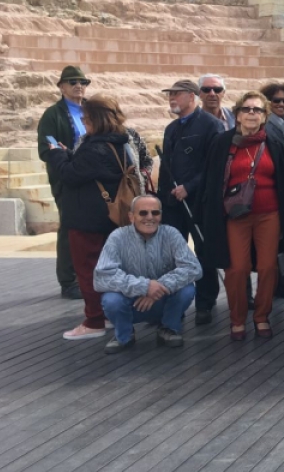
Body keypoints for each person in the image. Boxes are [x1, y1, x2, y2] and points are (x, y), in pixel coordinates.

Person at [196, 90, 284, 341]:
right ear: (238, 115)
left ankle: (261, 317)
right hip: (235, 215)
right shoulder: (222, 143)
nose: (252, 113)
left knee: (268, 267)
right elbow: (211, 181)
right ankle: (237, 319)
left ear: (265, 116)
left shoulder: (275, 143)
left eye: (257, 110)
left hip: (269, 214)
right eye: (246, 109)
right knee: (237, 269)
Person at [46, 94, 144, 340]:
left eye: (87, 117)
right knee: (110, 270)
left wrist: (56, 154)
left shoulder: (94, 147)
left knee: (88, 270)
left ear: (97, 119)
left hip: (87, 220)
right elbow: (87, 170)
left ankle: (94, 321)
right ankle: (109, 314)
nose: (83, 121)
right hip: (110, 218)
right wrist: (70, 155)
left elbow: (69, 175)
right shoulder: (121, 142)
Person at [94, 195, 202, 354]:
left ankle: (168, 328)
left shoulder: (171, 234)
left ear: (161, 215)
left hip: (161, 300)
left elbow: (193, 268)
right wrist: (144, 286)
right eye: (143, 213)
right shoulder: (117, 237)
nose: (150, 217)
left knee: (187, 289)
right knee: (111, 299)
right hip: (131, 302)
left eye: (155, 212)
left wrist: (159, 287)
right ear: (131, 216)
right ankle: (124, 335)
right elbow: (103, 276)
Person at [158, 79, 223, 324]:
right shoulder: (171, 129)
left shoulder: (211, 125)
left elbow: (214, 165)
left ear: (192, 96)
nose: (172, 98)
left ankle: (205, 302)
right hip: (172, 204)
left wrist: (190, 187)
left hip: (199, 202)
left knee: (203, 252)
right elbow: (166, 167)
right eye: (170, 94)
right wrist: (162, 198)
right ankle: (175, 302)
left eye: (177, 94)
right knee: (172, 254)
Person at [37, 65, 89, 299]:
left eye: (83, 82)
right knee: (70, 227)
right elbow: (46, 148)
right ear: (61, 87)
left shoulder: (92, 109)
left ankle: (92, 276)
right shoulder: (53, 115)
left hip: (93, 178)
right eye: (73, 82)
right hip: (67, 180)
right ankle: (69, 281)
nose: (78, 86)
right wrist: (67, 156)